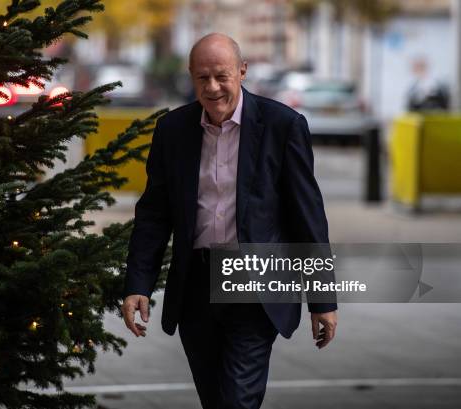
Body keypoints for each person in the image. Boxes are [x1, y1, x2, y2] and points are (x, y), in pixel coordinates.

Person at [122, 33, 338, 409]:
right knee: (215, 399)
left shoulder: (281, 125)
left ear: (242, 71)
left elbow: (308, 216)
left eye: (222, 76)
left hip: (254, 286)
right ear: (191, 77)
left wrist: (322, 299)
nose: (213, 87)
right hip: (196, 288)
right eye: (202, 77)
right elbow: (155, 214)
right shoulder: (172, 131)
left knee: (238, 400)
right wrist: (138, 283)